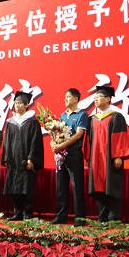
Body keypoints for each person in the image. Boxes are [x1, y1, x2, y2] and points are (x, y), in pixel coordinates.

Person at [84, 86, 129, 223]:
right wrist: (88, 157)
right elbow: (88, 140)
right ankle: (102, 216)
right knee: (97, 187)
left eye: (99, 97)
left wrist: (118, 156)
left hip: (111, 159)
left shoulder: (116, 117)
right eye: (95, 97)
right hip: (96, 159)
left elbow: (120, 137)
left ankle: (113, 217)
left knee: (112, 186)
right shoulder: (91, 119)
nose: (96, 99)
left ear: (108, 99)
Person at [1, 91, 44, 221]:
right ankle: (17, 212)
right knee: (14, 187)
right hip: (14, 161)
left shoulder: (32, 122)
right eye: (16, 103)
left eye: (20, 103)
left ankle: (28, 212)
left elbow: (35, 141)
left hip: (26, 160)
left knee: (27, 187)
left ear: (26, 105)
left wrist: (31, 158)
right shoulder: (11, 122)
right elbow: (7, 142)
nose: (17, 105)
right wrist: (7, 158)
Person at [51, 88, 88, 226]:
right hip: (61, 154)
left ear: (76, 99)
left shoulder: (82, 114)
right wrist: (54, 144)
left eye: (68, 97)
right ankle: (61, 215)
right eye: (65, 97)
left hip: (74, 153)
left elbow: (78, 135)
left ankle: (80, 217)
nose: (65, 99)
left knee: (77, 186)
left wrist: (62, 145)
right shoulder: (63, 115)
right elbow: (58, 134)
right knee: (61, 185)